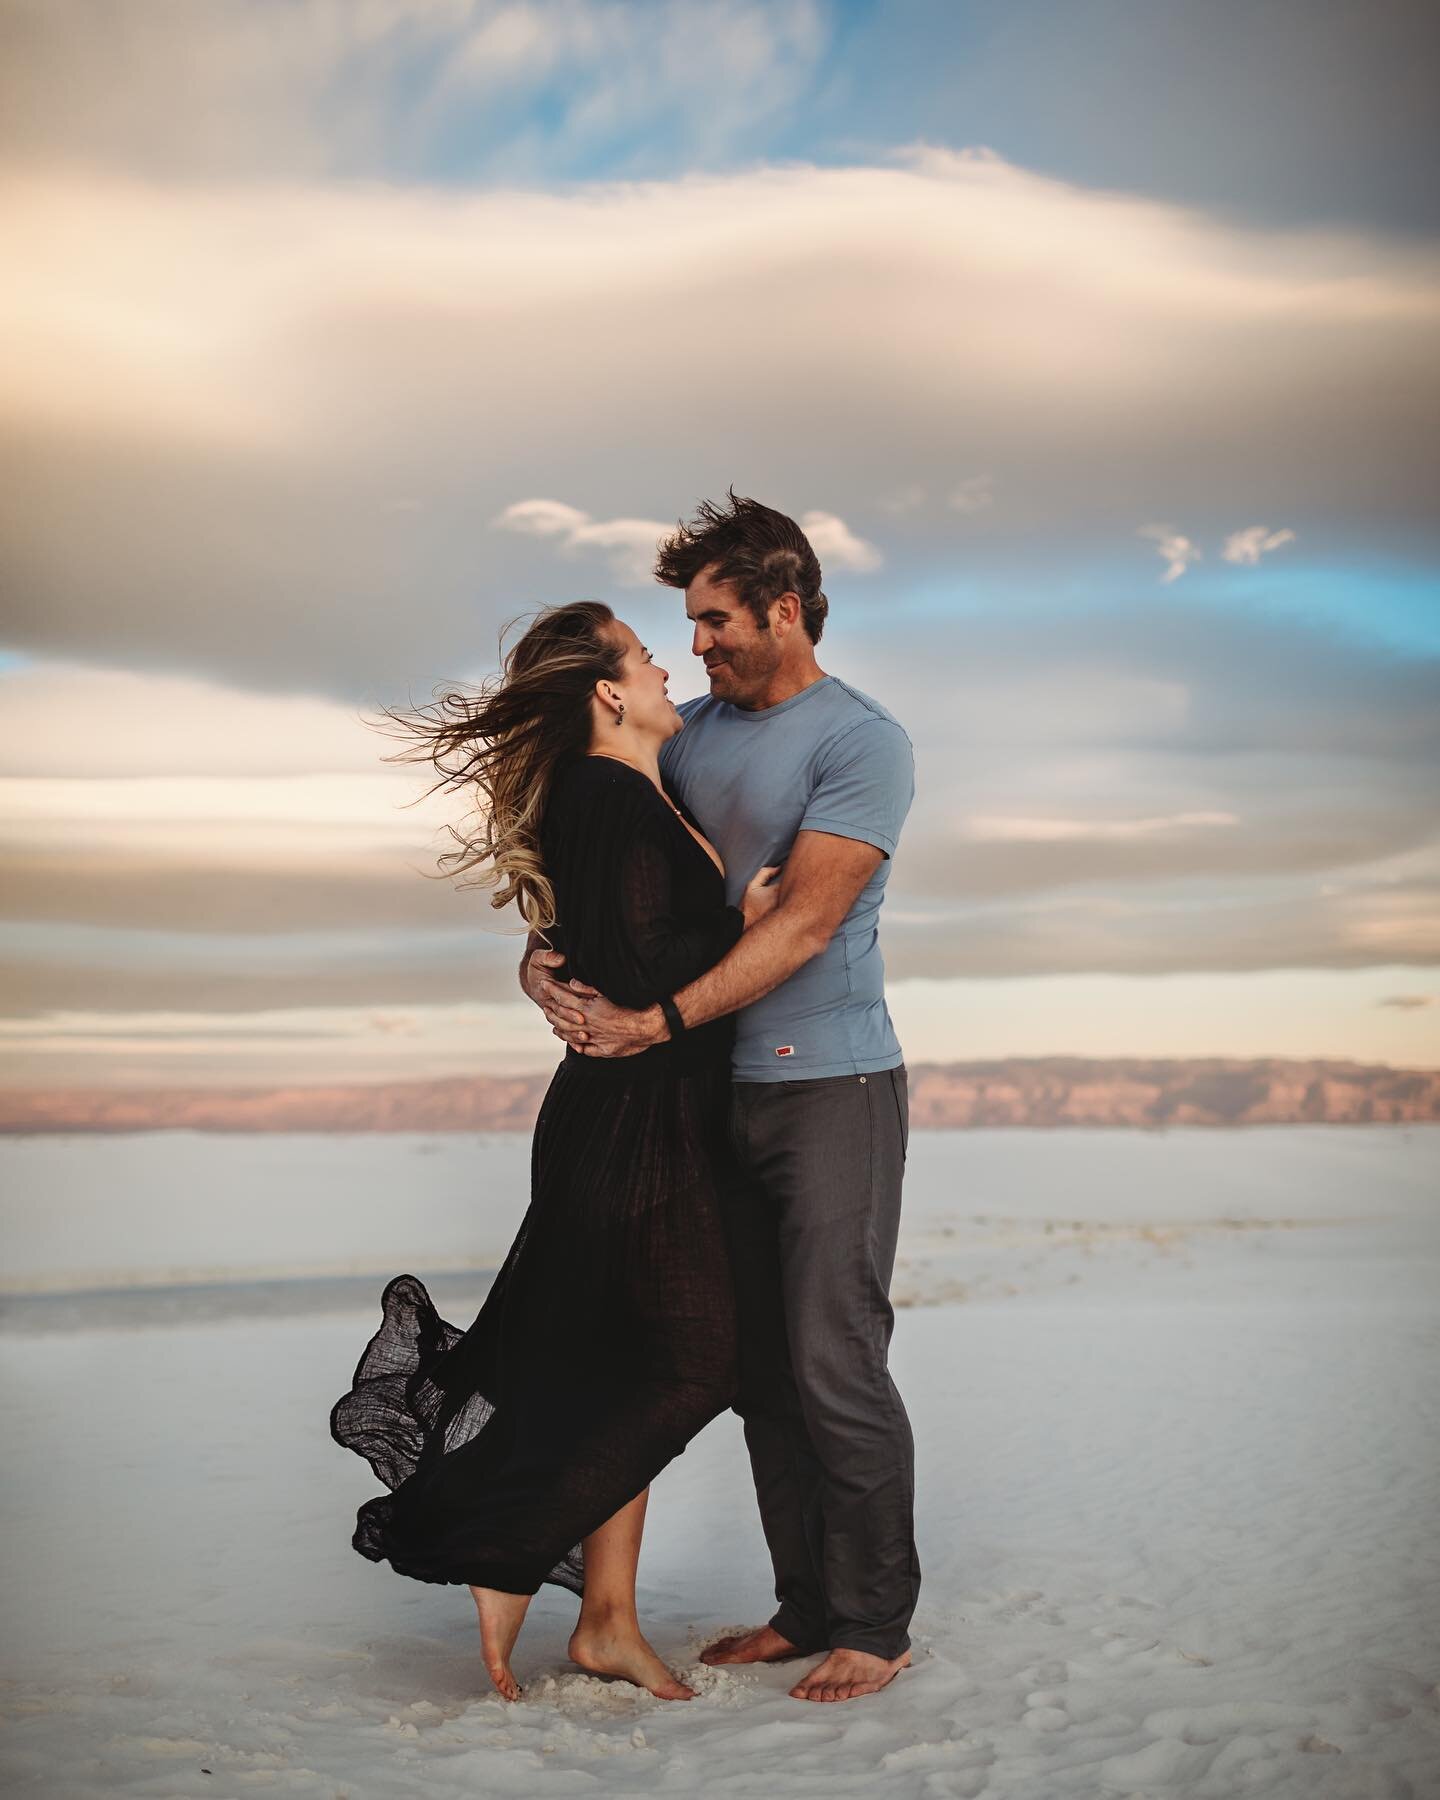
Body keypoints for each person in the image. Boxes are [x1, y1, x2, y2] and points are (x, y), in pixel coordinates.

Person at [330, 600, 780, 1702]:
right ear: (607, 692)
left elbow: (594, 941)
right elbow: (637, 970)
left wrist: (545, 957)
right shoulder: (609, 792)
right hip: (636, 1122)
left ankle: (610, 1621)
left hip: (634, 1114)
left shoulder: (622, 795)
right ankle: (504, 1547)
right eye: (644, 655)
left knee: (617, 1362)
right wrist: (752, 919)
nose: (668, 665)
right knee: (694, 1358)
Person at [525, 493, 919, 1704]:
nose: (692, 645)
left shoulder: (861, 742)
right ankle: (804, 1608)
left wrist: (655, 1021)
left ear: (784, 609)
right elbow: (604, 884)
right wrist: (541, 960)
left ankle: (873, 1623)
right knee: (757, 1369)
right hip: (700, 1102)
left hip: (828, 1084)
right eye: (683, 626)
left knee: (833, 1354)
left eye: (712, 620)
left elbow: (804, 922)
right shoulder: (681, 736)